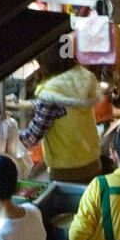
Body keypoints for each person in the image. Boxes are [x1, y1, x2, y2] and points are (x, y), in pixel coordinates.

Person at [19, 43, 102, 185]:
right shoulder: (82, 78)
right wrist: (23, 104)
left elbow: (30, 138)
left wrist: (6, 135)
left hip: (67, 173)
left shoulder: (51, 92)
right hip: (93, 165)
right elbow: (65, 108)